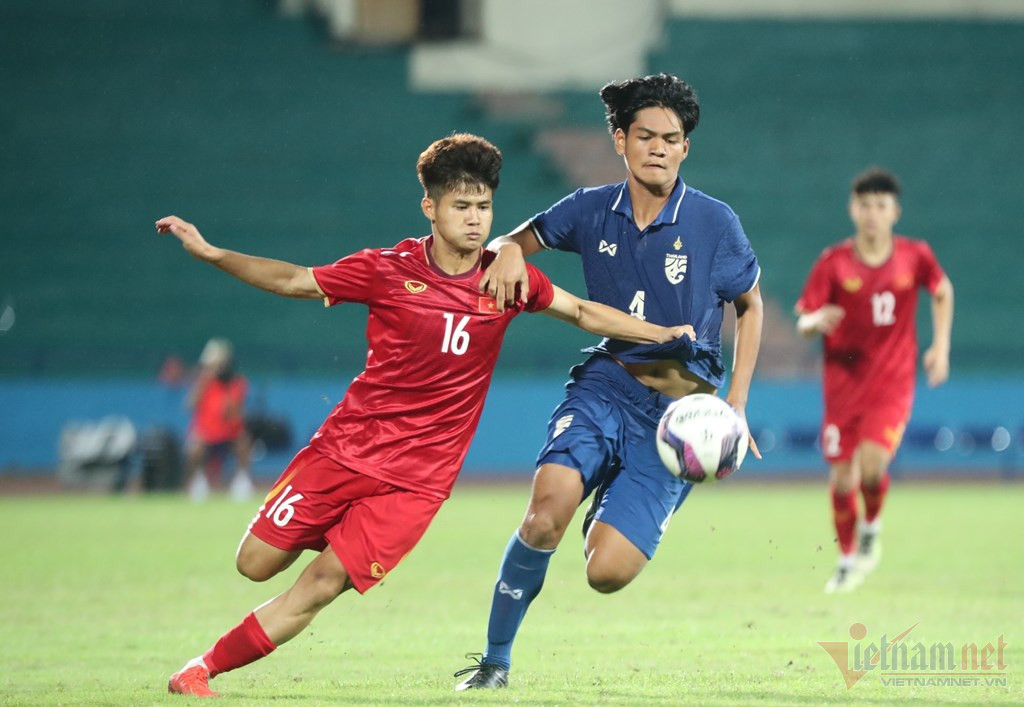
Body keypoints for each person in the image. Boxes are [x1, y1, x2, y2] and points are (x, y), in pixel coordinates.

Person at [155, 133, 694, 698]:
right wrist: (213, 253)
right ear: (430, 207)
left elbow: (581, 311)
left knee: (322, 584)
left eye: (484, 206)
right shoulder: (385, 270)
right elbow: (295, 280)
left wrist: (660, 333)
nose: (475, 219)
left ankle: (200, 670)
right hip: (344, 450)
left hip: (417, 482)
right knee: (255, 563)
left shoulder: (506, 280)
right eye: (461, 206)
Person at [454, 73, 764, 690]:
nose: (659, 149)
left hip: (679, 417)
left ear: (685, 148)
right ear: (621, 140)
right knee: (546, 511)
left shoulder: (714, 222)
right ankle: (494, 662)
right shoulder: (589, 208)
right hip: (607, 385)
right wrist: (509, 248)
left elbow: (749, 305)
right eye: (645, 136)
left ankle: (616, 500)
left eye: (671, 139)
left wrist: (736, 403)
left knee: (606, 573)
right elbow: (515, 240)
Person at [795, 167, 954, 593]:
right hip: (842, 386)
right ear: (853, 209)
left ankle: (872, 526)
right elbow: (804, 319)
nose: (872, 214)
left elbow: (942, 290)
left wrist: (941, 346)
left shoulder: (915, 256)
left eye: (880, 206)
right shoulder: (833, 262)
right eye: (864, 205)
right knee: (842, 480)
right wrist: (816, 321)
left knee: (871, 466)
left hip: (892, 383)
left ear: (894, 212)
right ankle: (847, 560)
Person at [183, 337, 254, 502]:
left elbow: (233, 413)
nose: (213, 369)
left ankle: (241, 482)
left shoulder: (236, 382)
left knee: (244, 442)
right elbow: (189, 405)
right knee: (194, 447)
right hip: (206, 434)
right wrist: (203, 383)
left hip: (230, 434)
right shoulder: (203, 383)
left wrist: (227, 389)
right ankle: (199, 482)